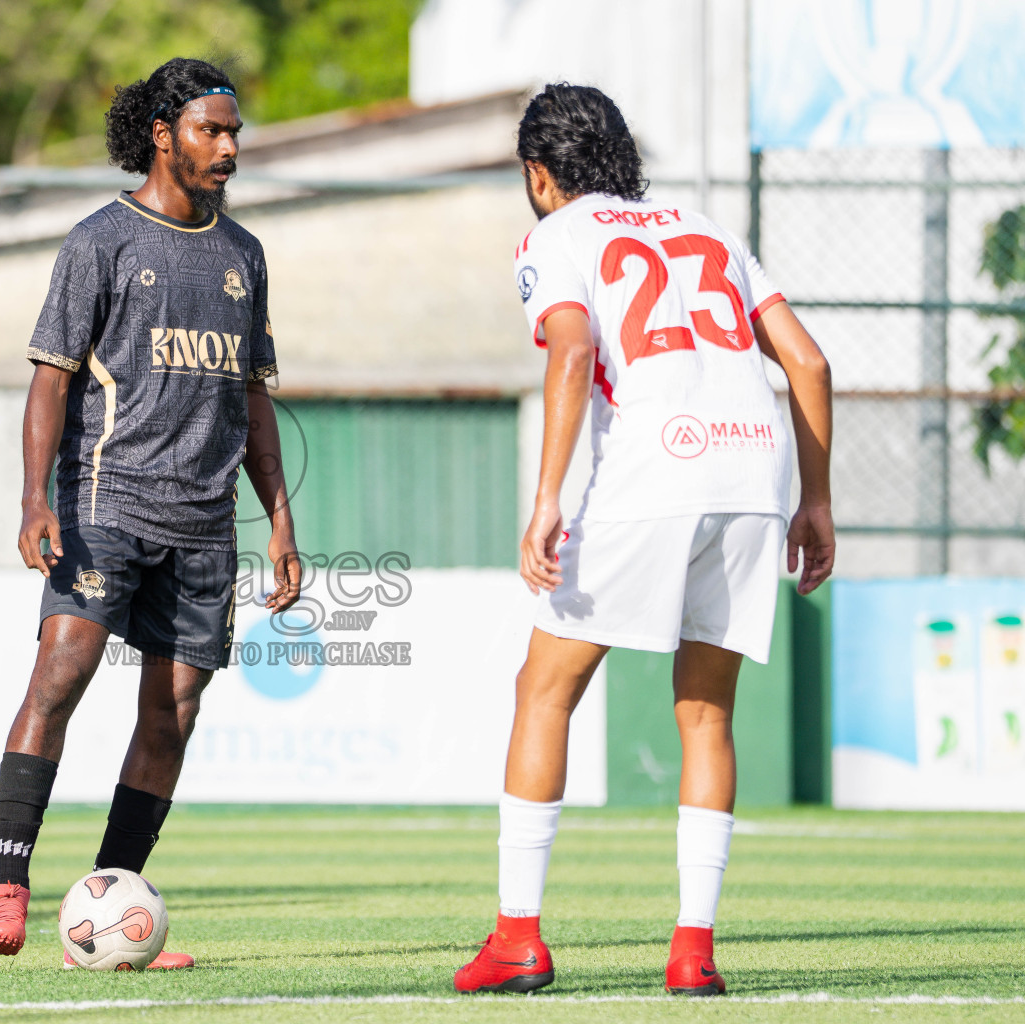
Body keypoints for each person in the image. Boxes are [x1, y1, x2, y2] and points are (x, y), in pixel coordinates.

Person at [454, 84, 835, 996]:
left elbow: (574, 351)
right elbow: (810, 362)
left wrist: (546, 497)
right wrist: (815, 503)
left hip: (655, 473)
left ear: (538, 174)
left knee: (544, 691)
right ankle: (694, 952)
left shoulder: (555, 235)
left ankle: (517, 940)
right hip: (752, 472)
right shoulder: (709, 226)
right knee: (705, 712)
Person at [0, 58, 301, 969]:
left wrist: (277, 518)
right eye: (212, 131)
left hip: (204, 523)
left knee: (173, 714)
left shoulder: (244, 255)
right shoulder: (100, 242)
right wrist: (35, 497)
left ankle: (112, 900)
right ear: (165, 135)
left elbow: (254, 396)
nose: (230, 148)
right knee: (64, 667)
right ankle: (9, 882)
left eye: (235, 132)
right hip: (105, 503)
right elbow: (50, 379)